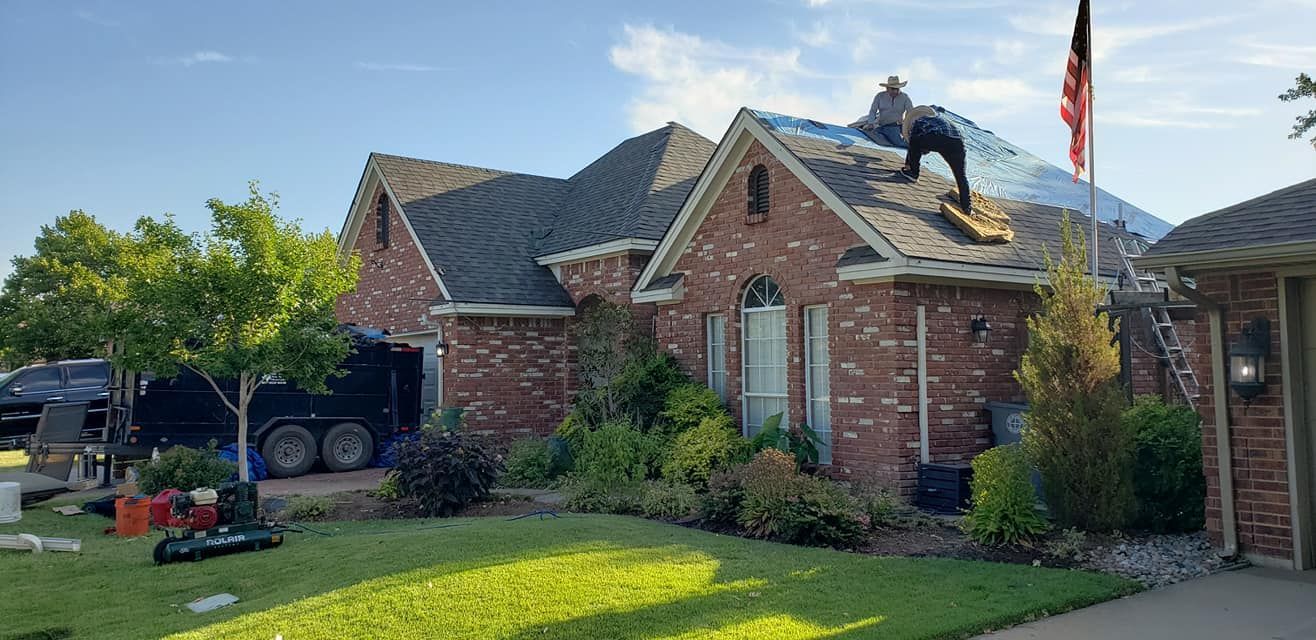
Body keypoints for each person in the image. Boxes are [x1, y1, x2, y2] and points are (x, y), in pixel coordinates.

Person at [895, 105, 972, 215]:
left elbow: (914, 143)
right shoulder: (941, 121)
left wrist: (908, 164)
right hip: (958, 144)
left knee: (915, 140)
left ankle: (913, 173)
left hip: (939, 137)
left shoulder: (919, 122)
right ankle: (967, 207)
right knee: (961, 176)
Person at [863, 75, 914, 148]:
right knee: (870, 138)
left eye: (897, 89)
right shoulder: (880, 96)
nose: (895, 91)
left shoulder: (905, 97)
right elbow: (873, 110)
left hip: (895, 126)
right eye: (893, 89)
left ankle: (916, 147)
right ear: (887, 88)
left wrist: (908, 126)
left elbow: (910, 112)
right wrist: (871, 123)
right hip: (880, 126)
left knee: (899, 143)